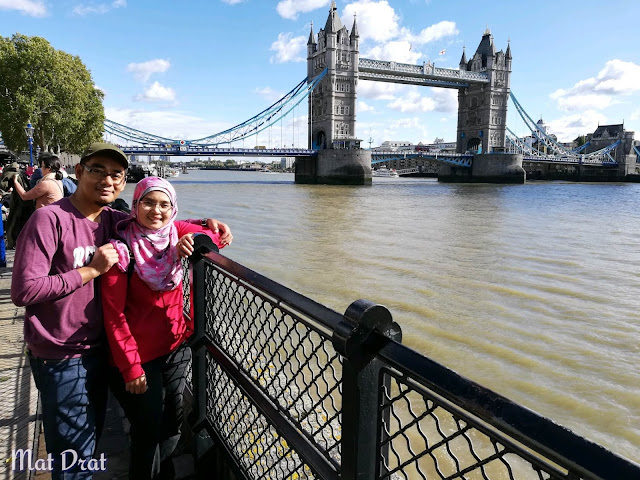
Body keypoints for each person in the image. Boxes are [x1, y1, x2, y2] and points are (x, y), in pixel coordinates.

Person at [11, 142, 232, 480]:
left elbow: (161, 222)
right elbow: (24, 291)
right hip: (63, 354)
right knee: (75, 457)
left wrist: (206, 225)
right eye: (97, 169)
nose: (107, 179)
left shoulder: (116, 220)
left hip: (103, 348)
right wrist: (91, 270)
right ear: (79, 171)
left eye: (116, 174)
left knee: (93, 441)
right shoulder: (49, 219)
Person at [101, 177, 225, 479]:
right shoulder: (121, 250)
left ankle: (165, 471)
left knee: (173, 420)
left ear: (174, 209)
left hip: (176, 345)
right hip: (140, 356)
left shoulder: (174, 233)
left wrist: (202, 231)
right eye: (148, 202)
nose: (156, 211)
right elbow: (114, 315)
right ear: (135, 205)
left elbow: (215, 238)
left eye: (164, 205)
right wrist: (131, 368)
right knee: (148, 428)